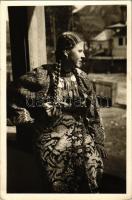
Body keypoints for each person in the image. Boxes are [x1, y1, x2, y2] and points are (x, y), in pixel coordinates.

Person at [7, 32, 107, 193]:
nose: (84, 55)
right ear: (67, 52)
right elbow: (12, 92)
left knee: (92, 177)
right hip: (50, 143)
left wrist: (99, 140)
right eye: (80, 51)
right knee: (59, 188)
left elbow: (93, 111)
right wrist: (35, 112)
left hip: (80, 139)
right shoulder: (43, 75)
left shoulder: (83, 78)